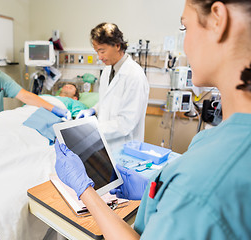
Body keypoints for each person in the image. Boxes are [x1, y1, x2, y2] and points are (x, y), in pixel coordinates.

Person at [55, 0, 251, 239]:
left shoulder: (203, 185)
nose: (185, 46)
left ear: (218, 20)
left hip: (121, 143)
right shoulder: (211, 139)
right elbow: (106, 102)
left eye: (185, 29)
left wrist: (85, 192)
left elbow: (126, 123)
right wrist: (154, 188)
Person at [76, 23, 149, 150]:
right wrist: (93, 110)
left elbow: (126, 124)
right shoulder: (107, 71)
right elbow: (106, 101)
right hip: (106, 145)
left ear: (117, 45)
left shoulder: (134, 75)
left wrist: (92, 129)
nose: (99, 57)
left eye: (102, 51)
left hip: (125, 147)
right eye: (97, 52)